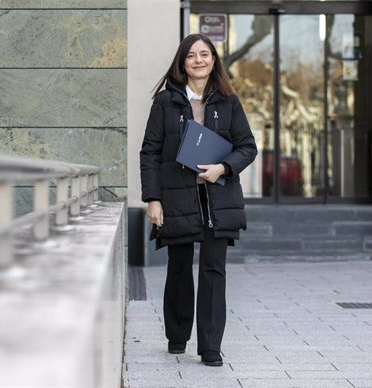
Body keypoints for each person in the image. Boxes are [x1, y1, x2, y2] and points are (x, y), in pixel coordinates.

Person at [139, 33, 258, 367]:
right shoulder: (166, 102)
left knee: (213, 269)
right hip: (177, 197)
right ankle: (177, 336)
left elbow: (247, 146)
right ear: (182, 63)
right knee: (179, 266)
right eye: (191, 55)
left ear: (214, 60)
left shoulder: (228, 101)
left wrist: (223, 167)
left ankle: (210, 347)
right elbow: (149, 152)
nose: (199, 60)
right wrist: (153, 199)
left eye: (205, 54)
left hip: (218, 198)